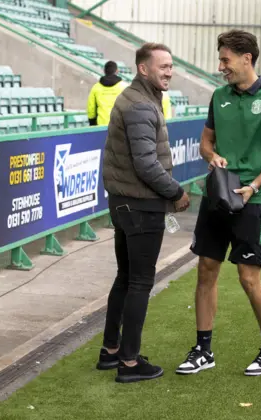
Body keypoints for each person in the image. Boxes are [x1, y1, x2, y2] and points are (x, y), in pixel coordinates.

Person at [176, 30, 261, 377]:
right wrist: (212, 157)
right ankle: (203, 349)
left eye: (226, 60)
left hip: (252, 199)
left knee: (248, 277)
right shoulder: (219, 96)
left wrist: (255, 184)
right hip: (218, 194)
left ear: (247, 58)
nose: (221, 66)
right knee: (206, 271)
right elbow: (205, 143)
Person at [97, 43, 190, 383]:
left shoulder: (142, 98)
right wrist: (176, 192)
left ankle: (111, 351)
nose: (169, 71)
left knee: (125, 277)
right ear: (143, 69)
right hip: (139, 206)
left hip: (126, 203)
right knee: (139, 282)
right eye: (163, 66)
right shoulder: (139, 104)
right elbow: (146, 164)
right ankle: (130, 363)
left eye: (170, 65)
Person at [86, 61, 128, 126]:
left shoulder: (96, 87)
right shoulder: (124, 87)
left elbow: (91, 108)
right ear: (117, 71)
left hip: (101, 127)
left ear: (104, 71)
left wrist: (92, 123)